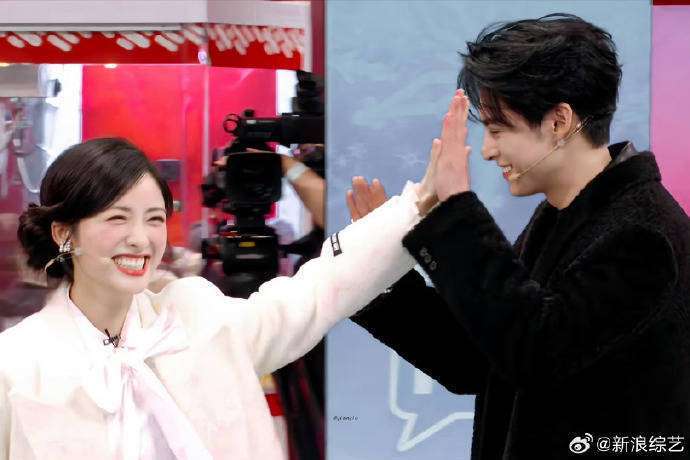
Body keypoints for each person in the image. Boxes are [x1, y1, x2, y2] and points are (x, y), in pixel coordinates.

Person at [349, 13, 690, 459]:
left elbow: (536, 354)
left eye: (497, 130)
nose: (487, 150)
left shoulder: (642, 235)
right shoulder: (563, 216)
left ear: (559, 121)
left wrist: (453, 212)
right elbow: (478, 361)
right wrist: (383, 276)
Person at [0, 137, 424, 459]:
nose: (141, 240)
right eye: (117, 218)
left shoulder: (196, 318)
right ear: (65, 233)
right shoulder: (18, 362)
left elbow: (315, 293)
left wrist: (417, 206)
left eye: (154, 219)